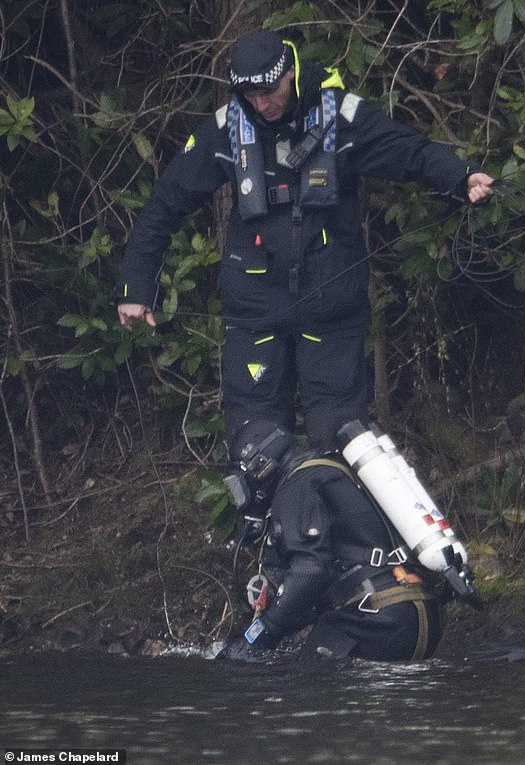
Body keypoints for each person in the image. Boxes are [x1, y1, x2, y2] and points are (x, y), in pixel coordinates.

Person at [115, 29, 494, 450]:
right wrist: (136, 286)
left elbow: (411, 153)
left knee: (341, 444)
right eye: (251, 96)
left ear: (290, 74)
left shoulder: (341, 115)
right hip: (254, 308)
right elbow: (165, 203)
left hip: (330, 303)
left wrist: (462, 177)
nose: (262, 105)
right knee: (254, 450)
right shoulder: (226, 128)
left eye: (270, 91)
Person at [222, 418, 446, 662]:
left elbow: (311, 570)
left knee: (304, 687)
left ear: (259, 466)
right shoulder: (332, 470)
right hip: (423, 616)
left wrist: (262, 633)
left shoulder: (296, 486)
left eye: (238, 485)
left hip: (377, 618)